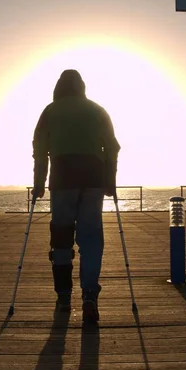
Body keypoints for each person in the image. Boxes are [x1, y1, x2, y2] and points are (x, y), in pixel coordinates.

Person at [31, 69, 120, 323]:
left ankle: (63, 298)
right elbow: (112, 147)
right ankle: (90, 296)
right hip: (93, 178)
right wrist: (110, 181)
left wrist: (38, 184)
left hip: (62, 178)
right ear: (82, 87)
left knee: (61, 238)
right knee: (91, 238)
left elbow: (39, 150)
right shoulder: (97, 110)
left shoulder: (50, 111)